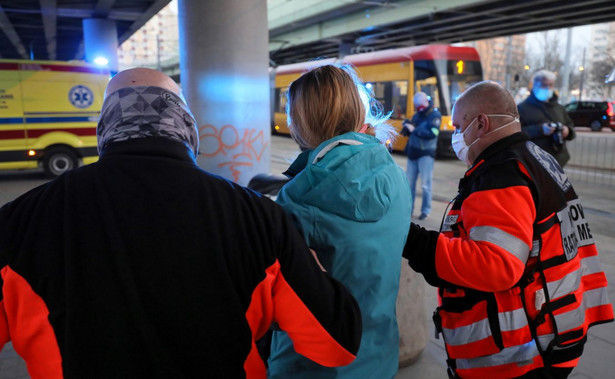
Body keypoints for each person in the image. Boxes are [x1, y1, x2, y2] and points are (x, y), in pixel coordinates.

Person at [0, 68, 363, 378]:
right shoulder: (259, 217)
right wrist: (313, 271)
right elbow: (337, 344)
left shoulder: (19, 222)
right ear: (187, 127)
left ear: (104, 130)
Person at [403, 81, 613, 378]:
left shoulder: (501, 174)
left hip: (521, 352)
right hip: (557, 329)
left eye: (458, 125)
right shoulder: (536, 157)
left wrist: (413, 241)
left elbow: (495, 266)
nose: (455, 135)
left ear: (480, 124)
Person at [267, 64, 412, 378]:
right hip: (377, 357)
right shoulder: (395, 176)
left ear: (302, 121)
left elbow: (282, 297)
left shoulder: (301, 196)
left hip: (314, 365)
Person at [518, 69, 576, 167]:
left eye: (550, 85)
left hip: (557, 162)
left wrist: (568, 131)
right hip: (534, 163)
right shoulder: (522, 108)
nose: (548, 88)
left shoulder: (559, 108)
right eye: (544, 85)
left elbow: (570, 126)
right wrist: (540, 130)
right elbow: (516, 133)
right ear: (535, 85)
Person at [401, 91, 441, 220]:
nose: (418, 108)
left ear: (425, 102)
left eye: (419, 105)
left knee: (425, 185)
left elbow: (433, 134)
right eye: (416, 105)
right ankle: (409, 210)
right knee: (410, 185)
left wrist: (415, 130)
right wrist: (407, 128)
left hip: (426, 154)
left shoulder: (435, 115)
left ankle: (425, 211)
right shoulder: (417, 115)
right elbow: (412, 130)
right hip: (413, 153)